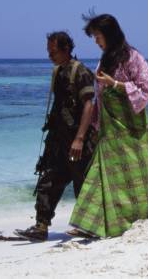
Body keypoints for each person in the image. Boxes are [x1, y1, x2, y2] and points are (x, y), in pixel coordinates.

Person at [68, 13, 148, 238]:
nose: (95, 40)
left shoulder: (133, 57)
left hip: (130, 130)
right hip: (109, 130)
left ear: (109, 34)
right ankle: (91, 224)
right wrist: (94, 125)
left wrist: (116, 84)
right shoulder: (105, 59)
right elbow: (100, 97)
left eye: (97, 35)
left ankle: (134, 219)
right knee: (101, 174)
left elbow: (146, 90)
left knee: (132, 177)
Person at [15, 31, 95, 241]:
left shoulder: (81, 72)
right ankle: (41, 227)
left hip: (77, 141)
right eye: (48, 52)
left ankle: (89, 226)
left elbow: (89, 105)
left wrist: (79, 138)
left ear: (66, 49)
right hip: (57, 140)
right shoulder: (58, 72)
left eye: (53, 52)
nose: (50, 56)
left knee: (82, 184)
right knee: (48, 181)